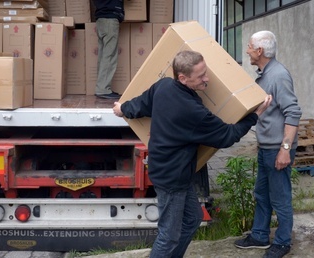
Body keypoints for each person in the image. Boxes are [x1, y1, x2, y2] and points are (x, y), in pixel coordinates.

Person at [113, 50, 272, 258]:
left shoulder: (164, 86)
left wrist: (122, 108)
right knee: (168, 235)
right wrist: (255, 115)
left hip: (174, 171)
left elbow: (141, 104)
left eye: (205, 72)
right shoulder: (191, 111)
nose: (207, 78)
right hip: (172, 178)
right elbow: (227, 136)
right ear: (183, 78)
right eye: (201, 76)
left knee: (193, 218)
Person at [234, 31, 302, 258]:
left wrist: (285, 150)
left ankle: (283, 242)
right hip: (267, 148)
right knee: (261, 194)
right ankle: (260, 235)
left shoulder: (278, 75)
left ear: (260, 51)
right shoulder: (265, 75)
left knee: (280, 197)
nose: (247, 51)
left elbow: (292, 113)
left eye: (250, 47)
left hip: (277, 149)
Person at [93, 0, 124, 99]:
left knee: (103, 55)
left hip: (100, 19)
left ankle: (101, 87)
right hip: (110, 18)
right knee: (109, 55)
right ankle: (103, 89)